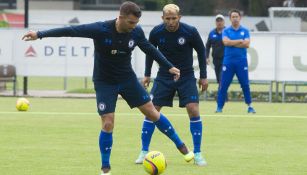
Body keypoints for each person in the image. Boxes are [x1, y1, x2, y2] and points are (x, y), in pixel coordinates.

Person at [22, 2, 194, 175]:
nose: (134, 26)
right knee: (108, 122)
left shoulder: (136, 31)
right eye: (131, 23)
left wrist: (169, 66)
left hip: (127, 79)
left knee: (152, 112)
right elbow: (71, 31)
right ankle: (105, 168)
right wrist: (39, 34)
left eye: (136, 23)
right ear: (120, 18)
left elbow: (149, 49)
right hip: (105, 82)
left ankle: (182, 146)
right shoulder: (101, 29)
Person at [135, 4, 208, 166]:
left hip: (186, 75)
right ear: (162, 18)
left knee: (193, 109)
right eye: (167, 19)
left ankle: (197, 153)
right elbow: (150, 52)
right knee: (151, 111)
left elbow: (202, 53)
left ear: (179, 17)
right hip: (164, 76)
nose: (171, 22)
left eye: (174, 18)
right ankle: (144, 151)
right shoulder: (156, 32)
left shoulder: (190, 31)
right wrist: (147, 74)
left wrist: (203, 76)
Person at [216, 9, 256, 114]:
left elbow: (247, 44)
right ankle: (219, 107)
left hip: (241, 61)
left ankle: (250, 106)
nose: (235, 18)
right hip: (228, 61)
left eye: (236, 16)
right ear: (230, 19)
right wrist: (239, 41)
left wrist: (231, 42)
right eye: (233, 17)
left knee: (245, 84)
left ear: (240, 18)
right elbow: (225, 42)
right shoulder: (226, 30)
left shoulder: (245, 30)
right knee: (223, 85)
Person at [206, 14, 225, 84]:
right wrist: (207, 57)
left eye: (221, 21)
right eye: (217, 21)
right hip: (216, 60)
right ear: (215, 22)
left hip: (225, 59)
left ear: (224, 22)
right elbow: (207, 46)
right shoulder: (212, 33)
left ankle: (221, 94)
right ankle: (222, 93)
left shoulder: (227, 32)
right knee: (218, 79)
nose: (219, 22)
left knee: (222, 78)